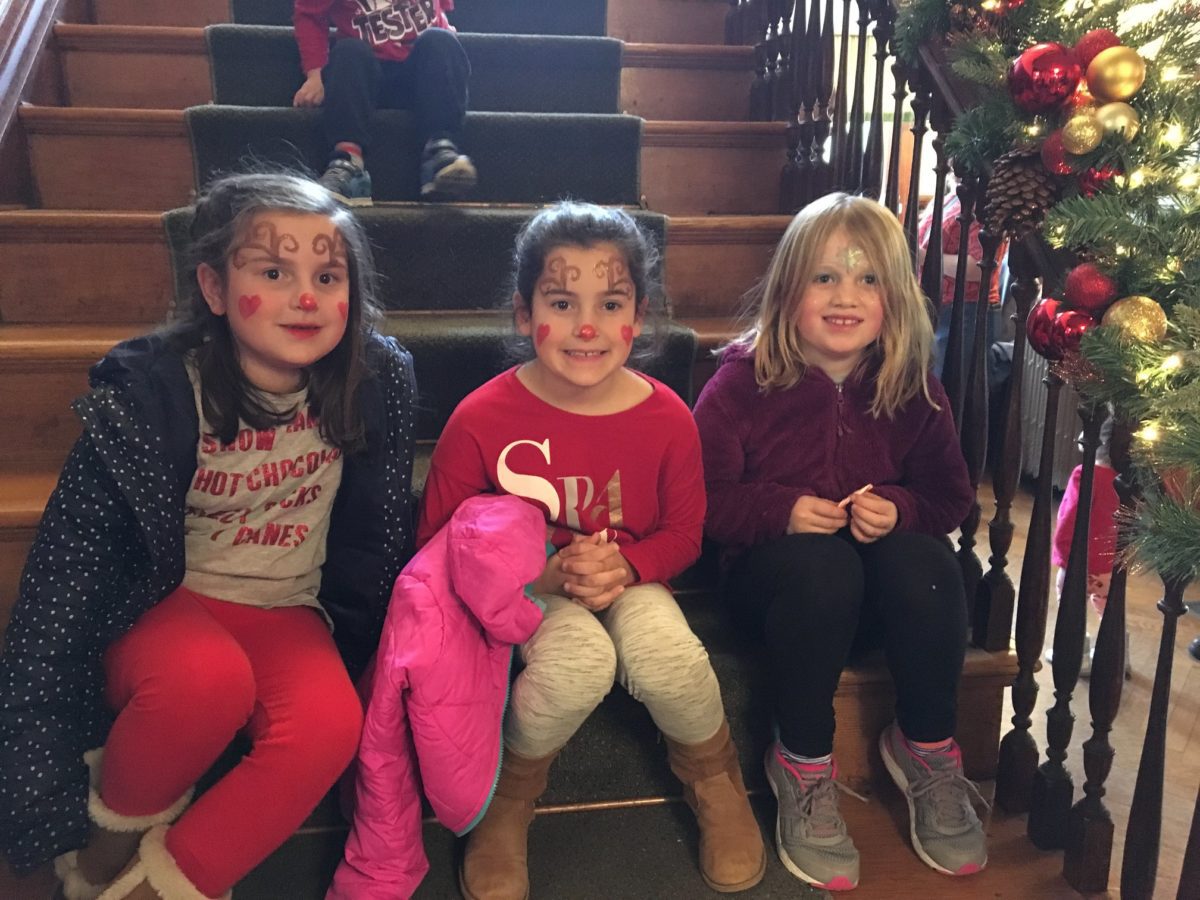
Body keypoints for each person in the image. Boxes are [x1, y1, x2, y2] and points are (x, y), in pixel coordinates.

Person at [0, 172, 417, 900]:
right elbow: (60, 591)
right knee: (206, 682)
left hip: (288, 610)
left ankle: (152, 890)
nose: (308, 297)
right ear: (216, 290)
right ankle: (103, 855)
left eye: (327, 275)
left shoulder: (374, 380)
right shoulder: (153, 393)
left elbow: (375, 540)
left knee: (327, 725)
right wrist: (38, 795)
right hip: (169, 603)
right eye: (274, 273)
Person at [418, 201, 766, 899]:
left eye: (610, 303)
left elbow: (685, 534)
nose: (586, 326)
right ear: (523, 314)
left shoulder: (667, 415)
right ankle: (509, 799)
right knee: (581, 661)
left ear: (638, 316)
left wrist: (631, 566)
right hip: (525, 593)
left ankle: (714, 776)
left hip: (632, 578)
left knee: (667, 654)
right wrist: (535, 574)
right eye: (561, 301)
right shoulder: (481, 419)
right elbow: (438, 545)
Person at [693, 193, 986, 891]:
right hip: (779, 597)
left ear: (895, 297)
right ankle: (802, 761)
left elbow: (951, 497)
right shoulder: (741, 381)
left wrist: (898, 507)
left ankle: (926, 748)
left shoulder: (916, 388)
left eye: (868, 279)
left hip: (875, 603)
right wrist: (783, 510)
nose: (845, 297)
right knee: (823, 570)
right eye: (824, 278)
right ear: (789, 289)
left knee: (928, 559)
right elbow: (701, 502)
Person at [293, 0, 475, 206]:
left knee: (441, 40)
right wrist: (314, 74)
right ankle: (348, 161)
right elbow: (309, 15)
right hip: (366, 76)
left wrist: (444, 28)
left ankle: (440, 152)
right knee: (348, 52)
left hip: (418, 74)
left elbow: (439, 7)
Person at [916, 180, 1008, 382]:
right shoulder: (951, 197)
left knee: (947, 387)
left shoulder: (984, 205)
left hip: (967, 309)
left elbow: (978, 267)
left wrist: (924, 256)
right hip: (939, 305)